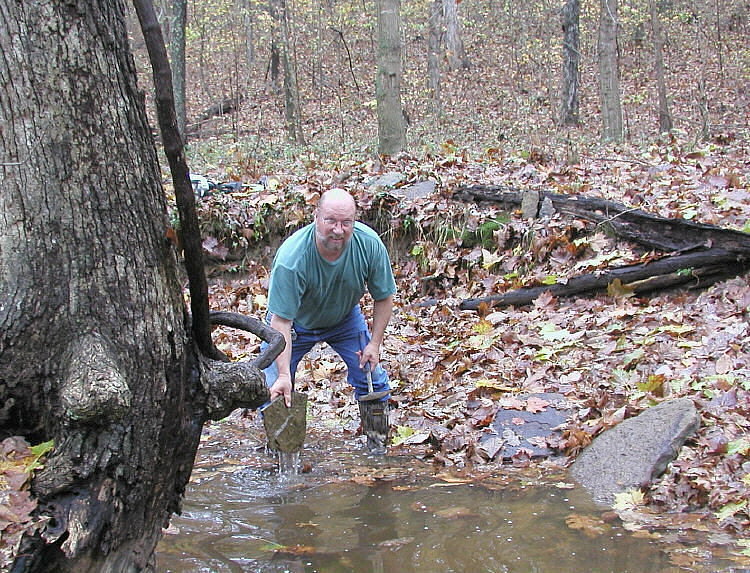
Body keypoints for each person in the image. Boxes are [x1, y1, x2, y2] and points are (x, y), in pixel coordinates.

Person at [263, 188, 396, 452]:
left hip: (345, 319)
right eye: (331, 221)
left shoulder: (368, 244)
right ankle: (281, 460)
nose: (338, 230)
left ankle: (377, 452)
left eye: (346, 222)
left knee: (374, 381)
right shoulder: (293, 259)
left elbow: (384, 297)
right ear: (316, 217)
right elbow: (281, 323)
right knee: (274, 390)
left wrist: (375, 345)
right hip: (295, 325)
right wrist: (284, 374)